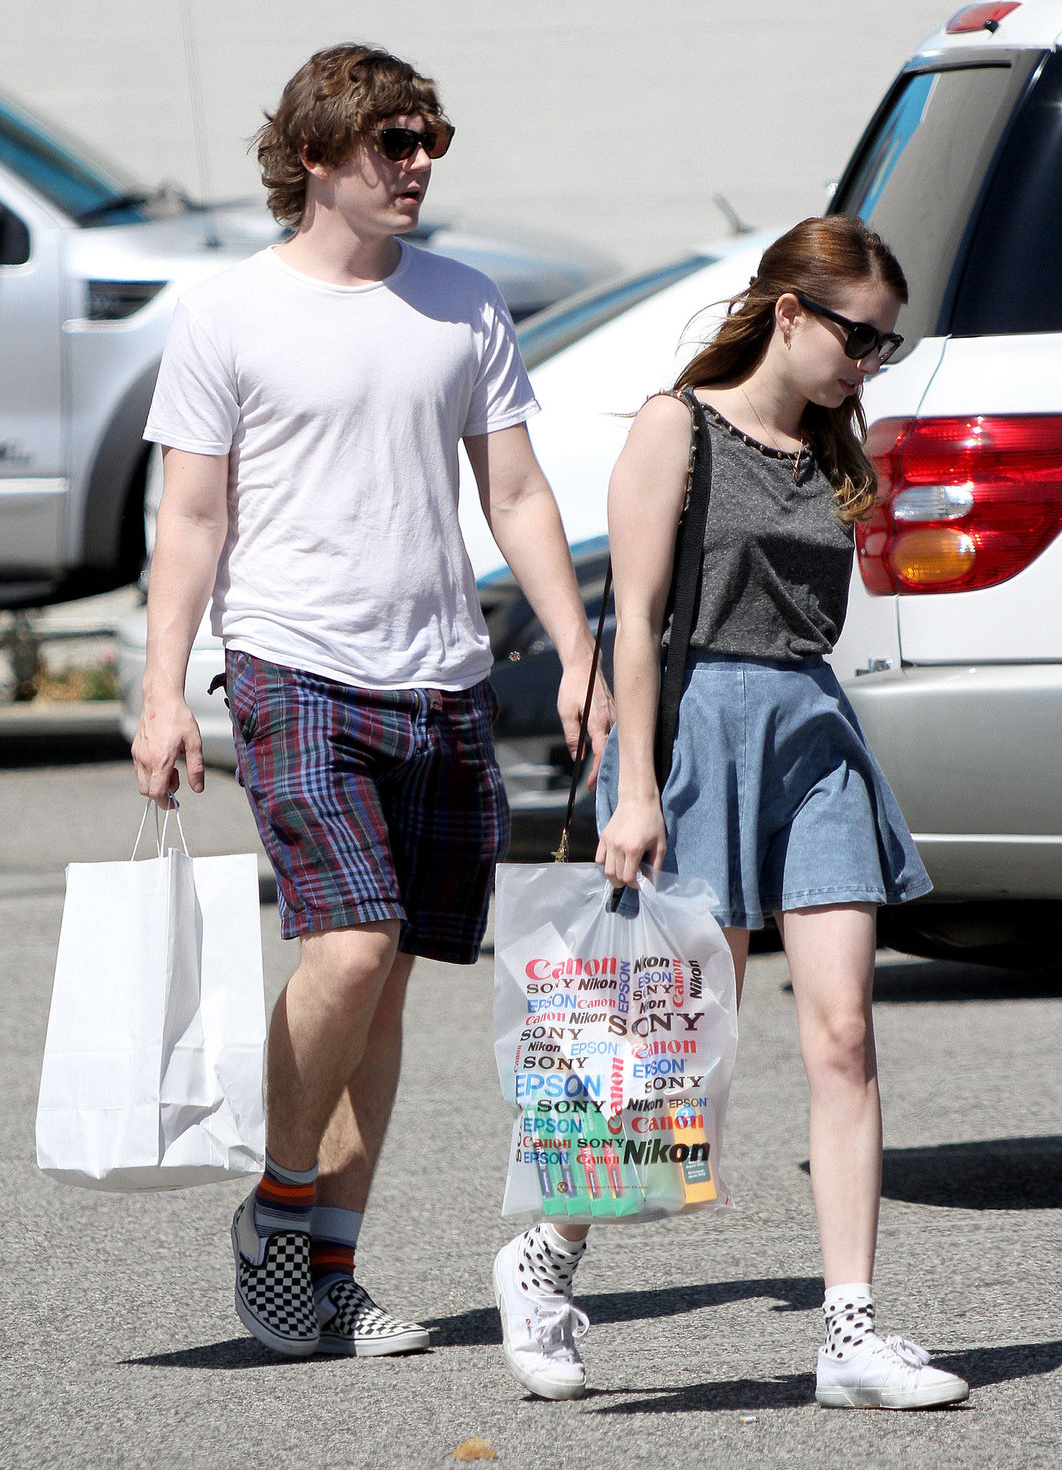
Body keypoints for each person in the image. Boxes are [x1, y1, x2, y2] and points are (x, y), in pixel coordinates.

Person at [132, 42, 610, 1361]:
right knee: (346, 947)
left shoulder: (463, 303)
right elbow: (190, 514)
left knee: (386, 978)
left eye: (430, 140)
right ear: (315, 156)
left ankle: (327, 1267)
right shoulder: (228, 313)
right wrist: (164, 688)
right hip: (291, 666)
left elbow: (513, 494)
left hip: (440, 674)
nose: (418, 166)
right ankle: (279, 1210)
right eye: (395, 143)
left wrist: (578, 652)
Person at [493, 216, 970, 1411]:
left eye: (887, 343)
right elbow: (638, 619)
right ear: (791, 311)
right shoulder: (678, 427)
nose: (869, 360)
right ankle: (546, 1253)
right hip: (696, 724)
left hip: (811, 737)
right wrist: (637, 787)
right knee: (663, 1046)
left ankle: (851, 1332)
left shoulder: (833, 451)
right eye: (857, 335)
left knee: (846, 1033)